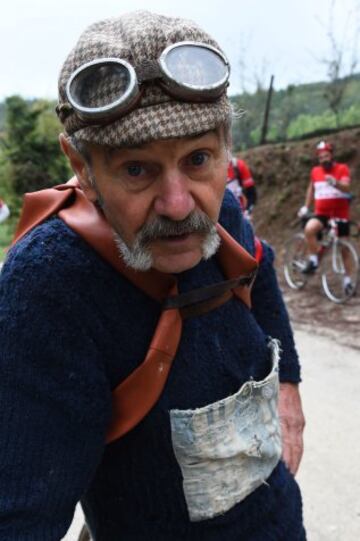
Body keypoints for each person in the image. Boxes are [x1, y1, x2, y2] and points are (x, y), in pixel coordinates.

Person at [0, 11, 305, 541]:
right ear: (81, 164)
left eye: (198, 159)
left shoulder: (221, 217)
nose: (178, 203)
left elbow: (261, 265)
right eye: (137, 169)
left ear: (226, 149)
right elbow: (21, 513)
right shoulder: (49, 287)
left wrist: (289, 386)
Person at [298, 140, 353, 291]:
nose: (324, 159)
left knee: (344, 249)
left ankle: (348, 281)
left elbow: (347, 187)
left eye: (326, 156)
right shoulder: (315, 171)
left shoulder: (342, 169)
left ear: (332, 155)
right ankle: (314, 259)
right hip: (321, 214)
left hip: (340, 214)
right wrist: (305, 207)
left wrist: (335, 182)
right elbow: (311, 189)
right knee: (310, 229)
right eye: (321, 157)